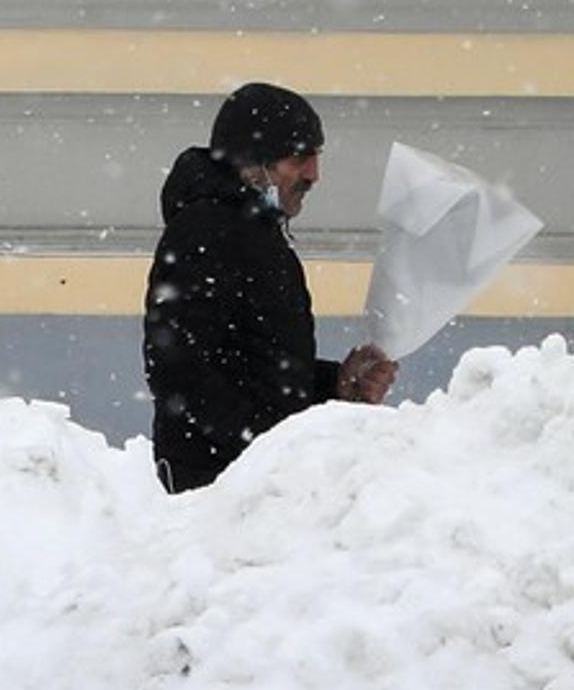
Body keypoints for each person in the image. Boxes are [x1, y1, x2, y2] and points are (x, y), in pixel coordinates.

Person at [142, 82, 397, 493]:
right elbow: (177, 369)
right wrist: (263, 448)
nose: (314, 174)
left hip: (256, 482)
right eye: (299, 157)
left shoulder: (252, 230)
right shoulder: (207, 229)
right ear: (253, 161)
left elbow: (252, 366)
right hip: (219, 490)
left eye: (316, 156)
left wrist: (332, 385)